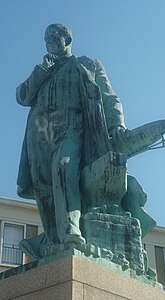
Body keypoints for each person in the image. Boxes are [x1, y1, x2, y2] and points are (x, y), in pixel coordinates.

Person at [16, 24, 126, 247]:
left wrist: (117, 125)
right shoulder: (43, 71)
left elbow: (109, 97)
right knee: (42, 186)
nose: (48, 40)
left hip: (72, 126)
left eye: (54, 36)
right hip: (39, 136)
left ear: (67, 39)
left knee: (63, 166)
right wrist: (41, 71)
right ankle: (54, 242)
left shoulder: (86, 64)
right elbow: (23, 97)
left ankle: (70, 227)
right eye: (46, 37)